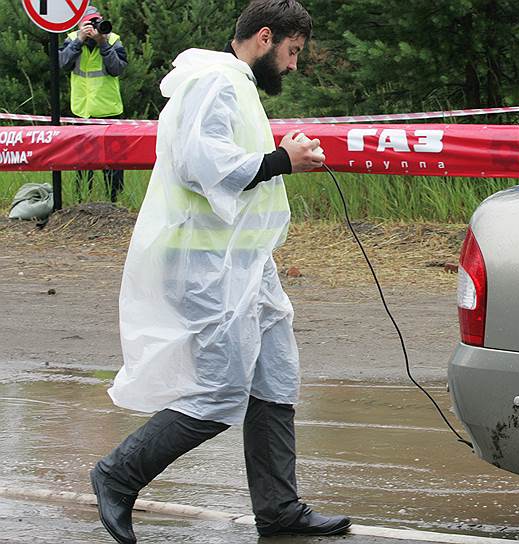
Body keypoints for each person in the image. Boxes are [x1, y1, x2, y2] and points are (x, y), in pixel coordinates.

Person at [87, 1, 349, 543]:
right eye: (293, 52)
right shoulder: (216, 83)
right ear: (265, 37)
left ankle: (278, 509)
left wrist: (281, 156)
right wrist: (284, 159)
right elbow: (200, 162)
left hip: (246, 263)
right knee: (219, 391)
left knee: (276, 380)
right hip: (205, 268)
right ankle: (118, 473)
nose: (295, 66)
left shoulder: (234, 84)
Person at [58, 6, 127, 202]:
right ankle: (82, 200)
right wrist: (79, 41)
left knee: (113, 164)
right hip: (82, 111)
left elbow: (117, 69)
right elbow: (62, 64)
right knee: (82, 163)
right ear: (80, 24)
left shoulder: (113, 39)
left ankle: (115, 201)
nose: (93, 27)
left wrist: (103, 43)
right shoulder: (72, 40)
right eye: (89, 23)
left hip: (109, 110)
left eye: (95, 22)